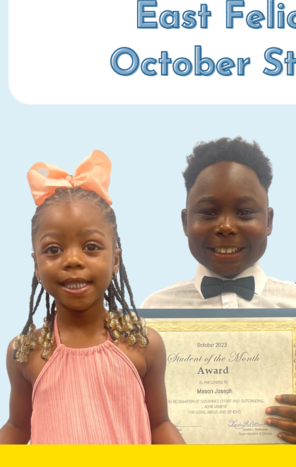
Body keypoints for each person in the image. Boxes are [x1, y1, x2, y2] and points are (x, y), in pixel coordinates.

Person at [143, 138, 296, 443]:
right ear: (185, 221)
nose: (225, 226)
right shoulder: (154, 312)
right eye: (207, 213)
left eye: (245, 212)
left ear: (269, 220)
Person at [2, 151, 182, 444]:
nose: (72, 260)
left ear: (115, 260)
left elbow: (159, 425)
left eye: (91, 246)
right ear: (36, 265)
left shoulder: (142, 345)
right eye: (53, 250)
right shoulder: (25, 352)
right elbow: (18, 429)